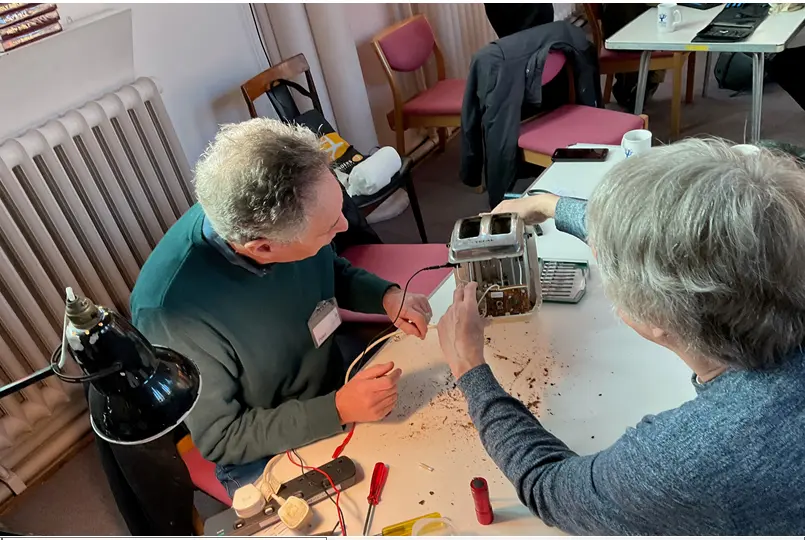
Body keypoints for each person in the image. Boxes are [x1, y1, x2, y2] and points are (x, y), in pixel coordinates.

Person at [436, 139, 805, 534]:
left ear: (658, 314)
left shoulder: (683, 459)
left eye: (614, 268)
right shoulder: (783, 252)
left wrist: (469, 367)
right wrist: (549, 205)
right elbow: (675, 239)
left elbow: (551, 488)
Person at [130, 118, 432, 496]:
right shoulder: (170, 313)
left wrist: (383, 295)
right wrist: (336, 410)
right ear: (263, 249)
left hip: (333, 388)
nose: (344, 226)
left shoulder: (286, 214)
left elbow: (328, 270)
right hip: (265, 445)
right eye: (327, 229)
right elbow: (223, 437)